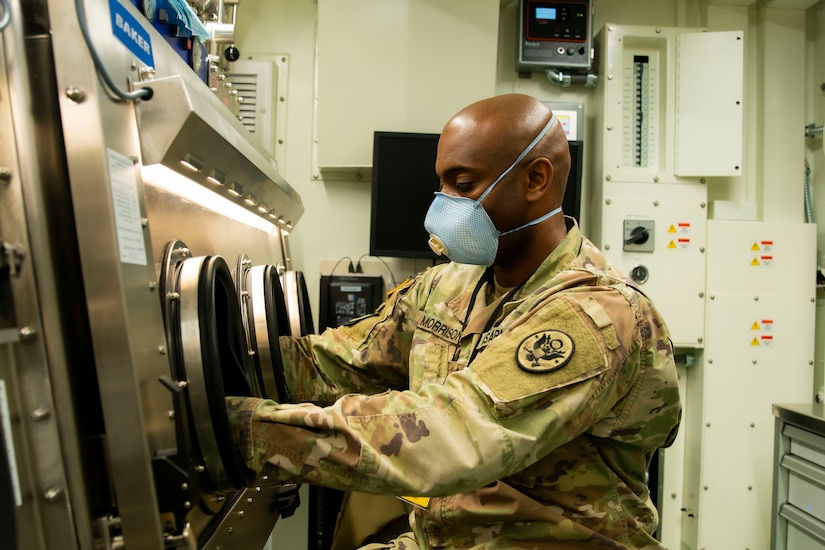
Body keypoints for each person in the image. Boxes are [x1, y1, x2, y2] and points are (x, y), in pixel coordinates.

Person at [227, 93, 682, 549]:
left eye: (462, 184)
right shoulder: (449, 286)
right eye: (441, 184)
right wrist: (214, 361)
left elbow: (450, 434)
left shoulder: (596, 316)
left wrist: (246, 431)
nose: (442, 205)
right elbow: (340, 363)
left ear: (536, 179)